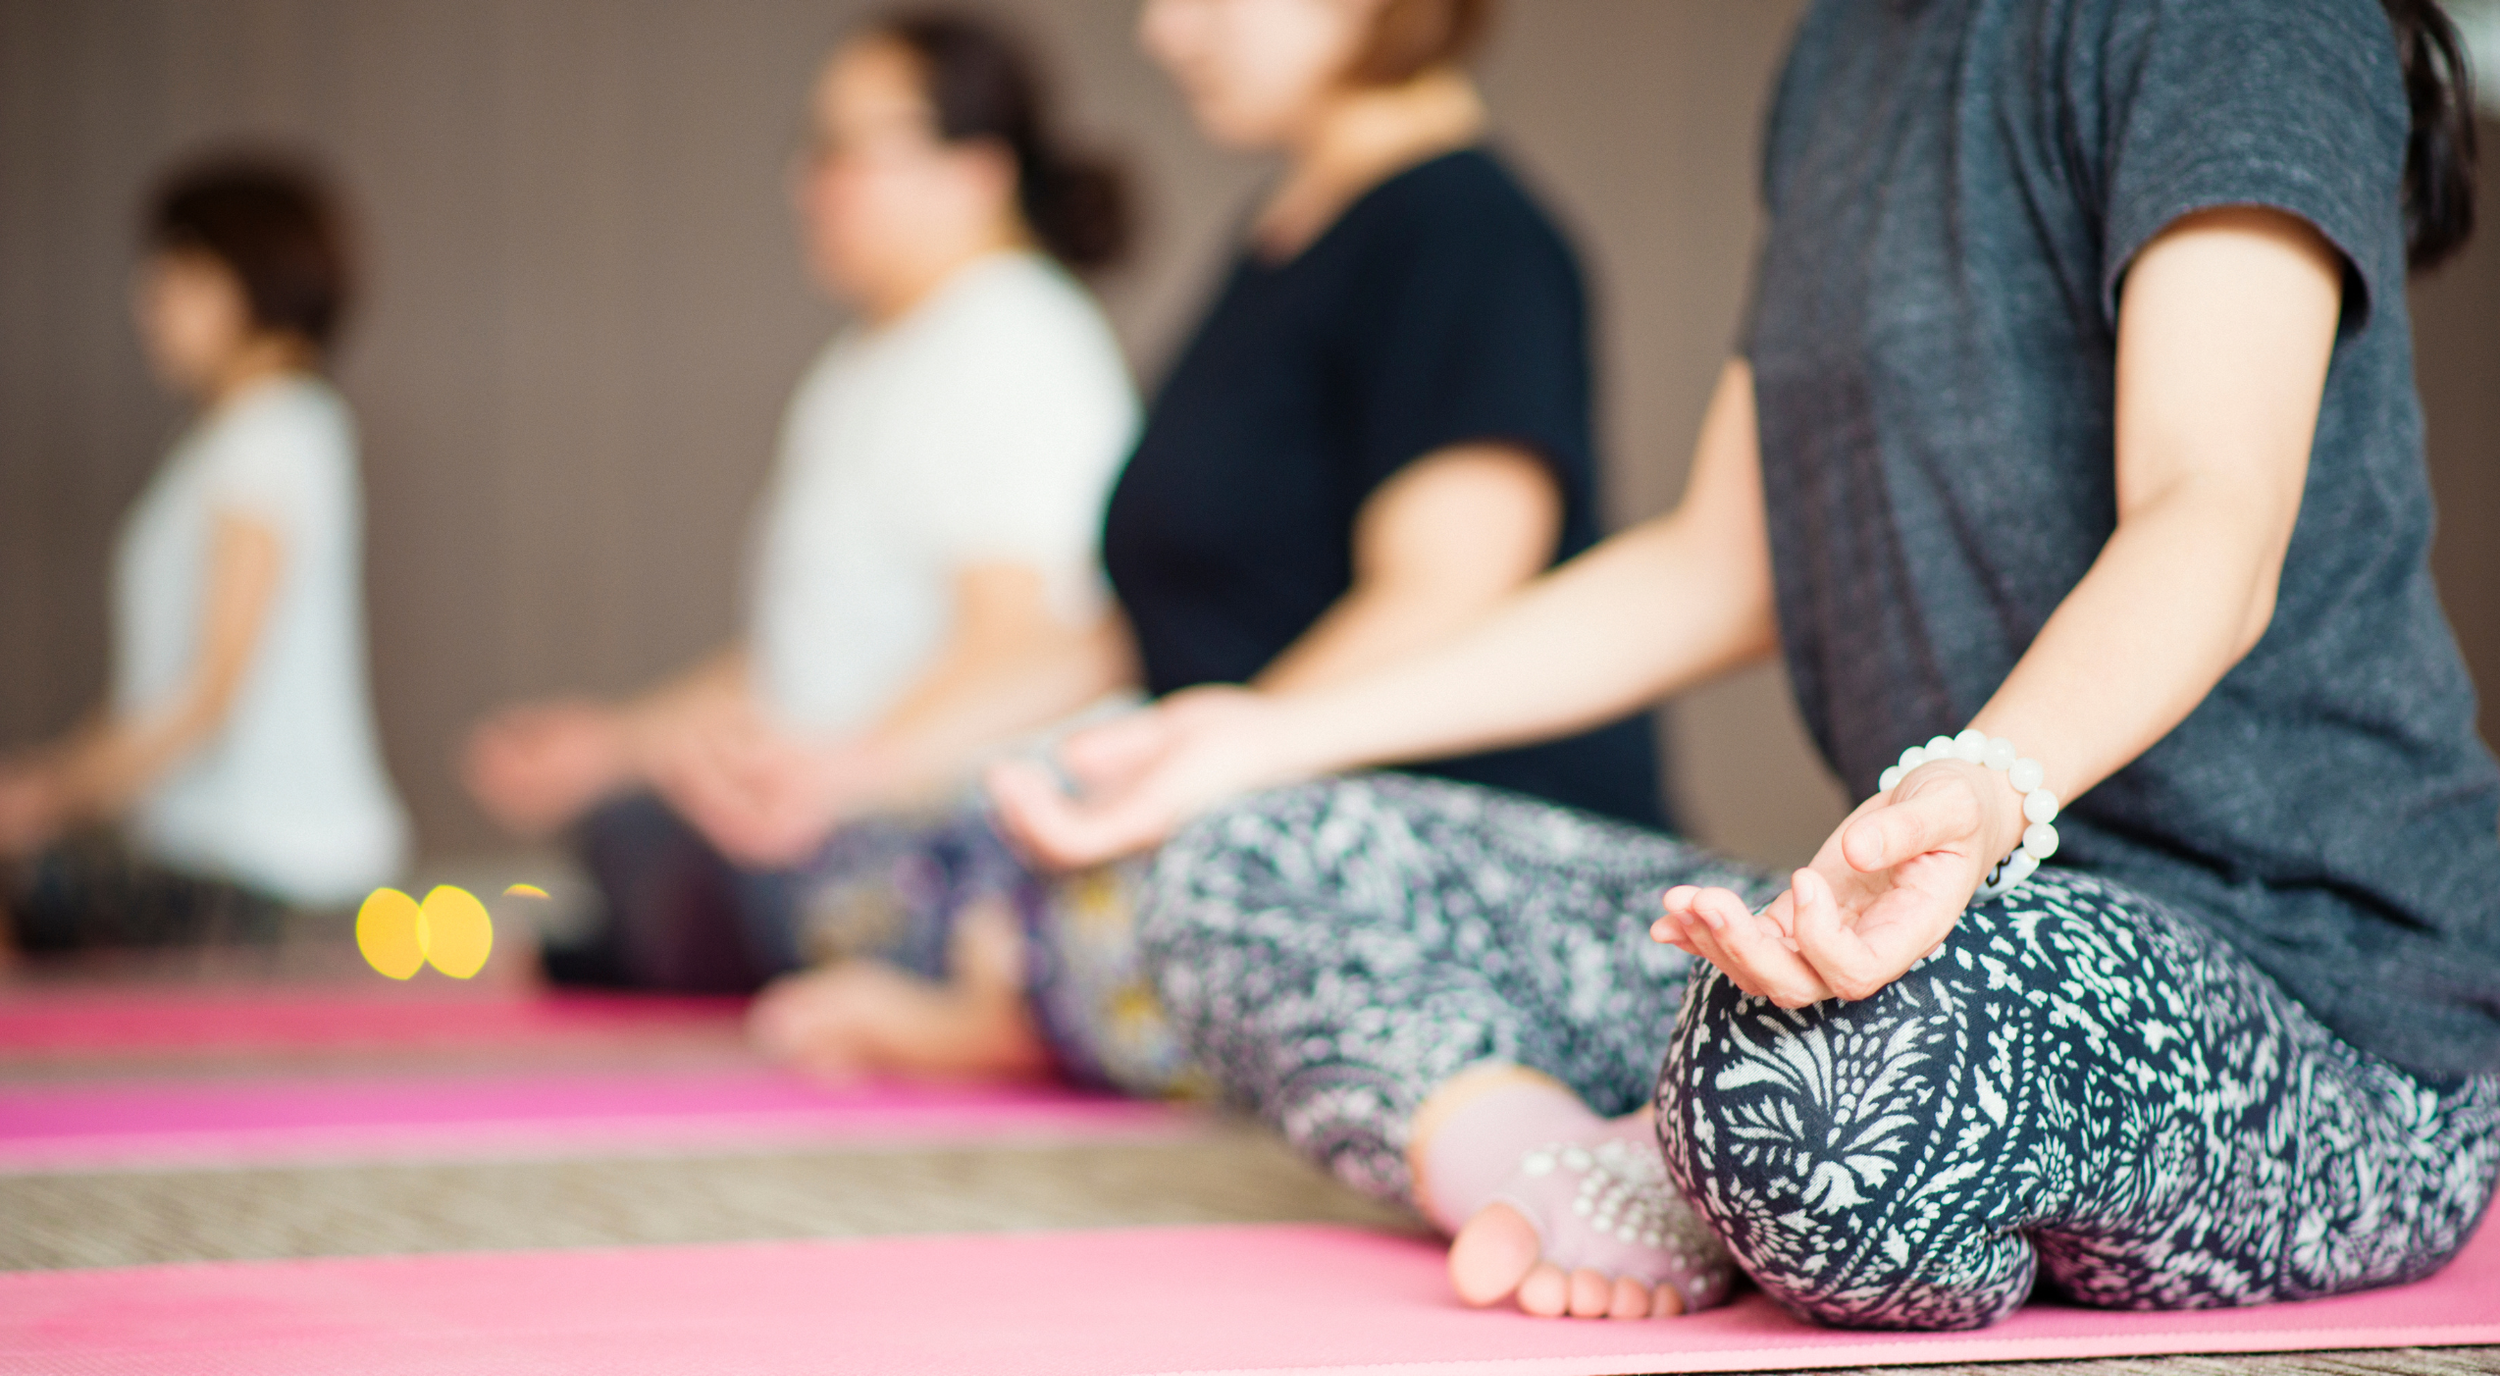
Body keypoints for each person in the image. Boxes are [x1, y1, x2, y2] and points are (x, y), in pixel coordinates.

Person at [991, 0, 2500, 1331]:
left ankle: (1709, 1143)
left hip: (2321, 999)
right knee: (1242, 858)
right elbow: (1718, 565)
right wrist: (1264, 733)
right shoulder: (1844, 46)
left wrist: (1977, 796)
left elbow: (2210, 522)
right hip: (1920, 953)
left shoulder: (2237, 16)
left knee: (1828, 1093)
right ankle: (1587, 1173)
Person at [743, 0, 1672, 1092]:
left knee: (1145, 889)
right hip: (1240, 789)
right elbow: (1137, 625)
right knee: (864, 849)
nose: (1166, 34)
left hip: (1425, 835)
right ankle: (1035, 987)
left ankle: (1032, 1004)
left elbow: (1446, 593)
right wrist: (864, 763)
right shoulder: (1275, 238)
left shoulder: (1467, 232)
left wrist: (1217, 768)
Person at [461, 10, 1142, 993]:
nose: (805, 185)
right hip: (840, 802)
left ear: (975, 171)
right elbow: (799, 664)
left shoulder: (1013, 335)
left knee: (664, 851)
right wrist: (613, 744)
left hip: (948, 825)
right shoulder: (860, 366)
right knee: (630, 824)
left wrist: (843, 774)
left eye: (840, 151)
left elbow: (1031, 641)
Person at [0, 153, 410, 952]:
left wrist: (41, 796)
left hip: (271, 866)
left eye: (175, 277)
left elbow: (204, 693)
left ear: (247, 282)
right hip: (223, 854)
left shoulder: (271, 432)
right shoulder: (241, 437)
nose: (147, 304)